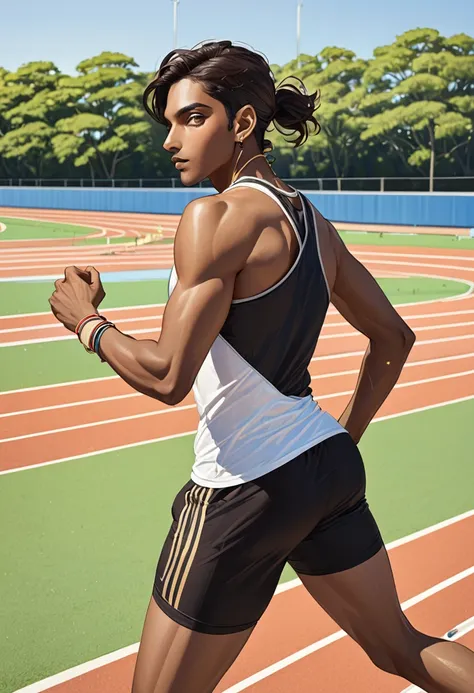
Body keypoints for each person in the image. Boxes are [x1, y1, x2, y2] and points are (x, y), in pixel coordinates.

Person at [49, 40, 474, 693]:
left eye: (190, 118)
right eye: (168, 121)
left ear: (242, 123)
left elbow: (167, 376)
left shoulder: (214, 218)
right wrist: (341, 434)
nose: (170, 139)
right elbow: (393, 337)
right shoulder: (315, 224)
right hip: (324, 469)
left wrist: (87, 321)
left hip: (239, 489)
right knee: (401, 646)